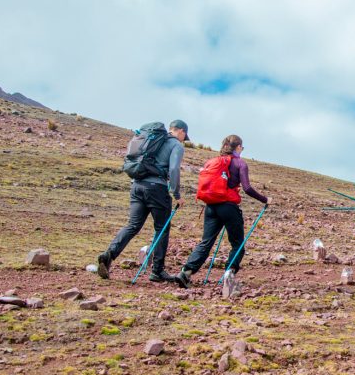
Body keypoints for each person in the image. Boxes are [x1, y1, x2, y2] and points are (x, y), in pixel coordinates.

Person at [173, 135, 270, 288]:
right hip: (229, 207)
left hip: (211, 206)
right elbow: (247, 188)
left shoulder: (213, 162)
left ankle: (186, 272)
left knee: (206, 242)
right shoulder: (240, 163)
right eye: (242, 148)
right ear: (238, 147)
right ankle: (228, 275)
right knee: (237, 243)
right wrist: (265, 199)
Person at [97, 120, 188, 282]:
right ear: (181, 131)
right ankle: (157, 271)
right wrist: (177, 195)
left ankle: (109, 255)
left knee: (133, 225)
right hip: (157, 189)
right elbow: (173, 169)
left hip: (137, 186)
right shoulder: (176, 145)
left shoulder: (152, 139)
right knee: (162, 229)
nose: (184, 139)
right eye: (184, 136)